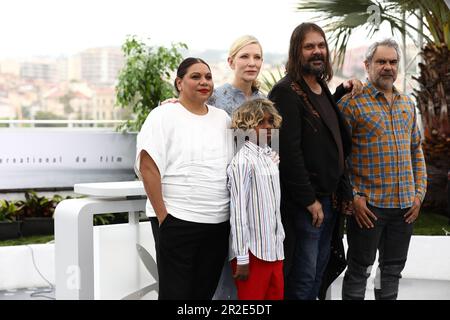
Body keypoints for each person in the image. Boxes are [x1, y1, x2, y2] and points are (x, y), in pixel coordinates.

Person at [268, 22, 359, 300]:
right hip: (308, 206)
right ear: (297, 51)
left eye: (321, 46)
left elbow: (325, 127)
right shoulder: (286, 91)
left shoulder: (318, 86)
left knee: (318, 275)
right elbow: (289, 152)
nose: (317, 51)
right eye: (309, 46)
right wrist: (309, 200)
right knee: (303, 279)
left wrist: (341, 91)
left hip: (330, 200)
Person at [134, 57, 231, 299]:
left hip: (218, 223)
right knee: (175, 295)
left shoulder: (223, 119)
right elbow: (148, 166)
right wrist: (164, 218)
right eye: (195, 77)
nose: (204, 82)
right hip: (177, 220)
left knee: (203, 295)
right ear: (179, 82)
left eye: (208, 77)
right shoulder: (163, 115)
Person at [338, 39, 427, 300]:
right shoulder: (350, 105)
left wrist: (419, 193)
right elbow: (338, 158)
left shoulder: (407, 104)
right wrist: (353, 197)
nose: (387, 67)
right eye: (381, 61)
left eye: (392, 62)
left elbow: (416, 152)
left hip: (404, 209)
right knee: (358, 271)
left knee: (392, 271)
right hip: (369, 208)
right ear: (367, 65)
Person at [227, 98, 285, 300]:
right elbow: (238, 212)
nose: (268, 127)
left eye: (270, 122)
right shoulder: (242, 161)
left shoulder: (269, 157)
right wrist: (242, 257)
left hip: (274, 250)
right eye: (260, 122)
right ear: (246, 126)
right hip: (252, 254)